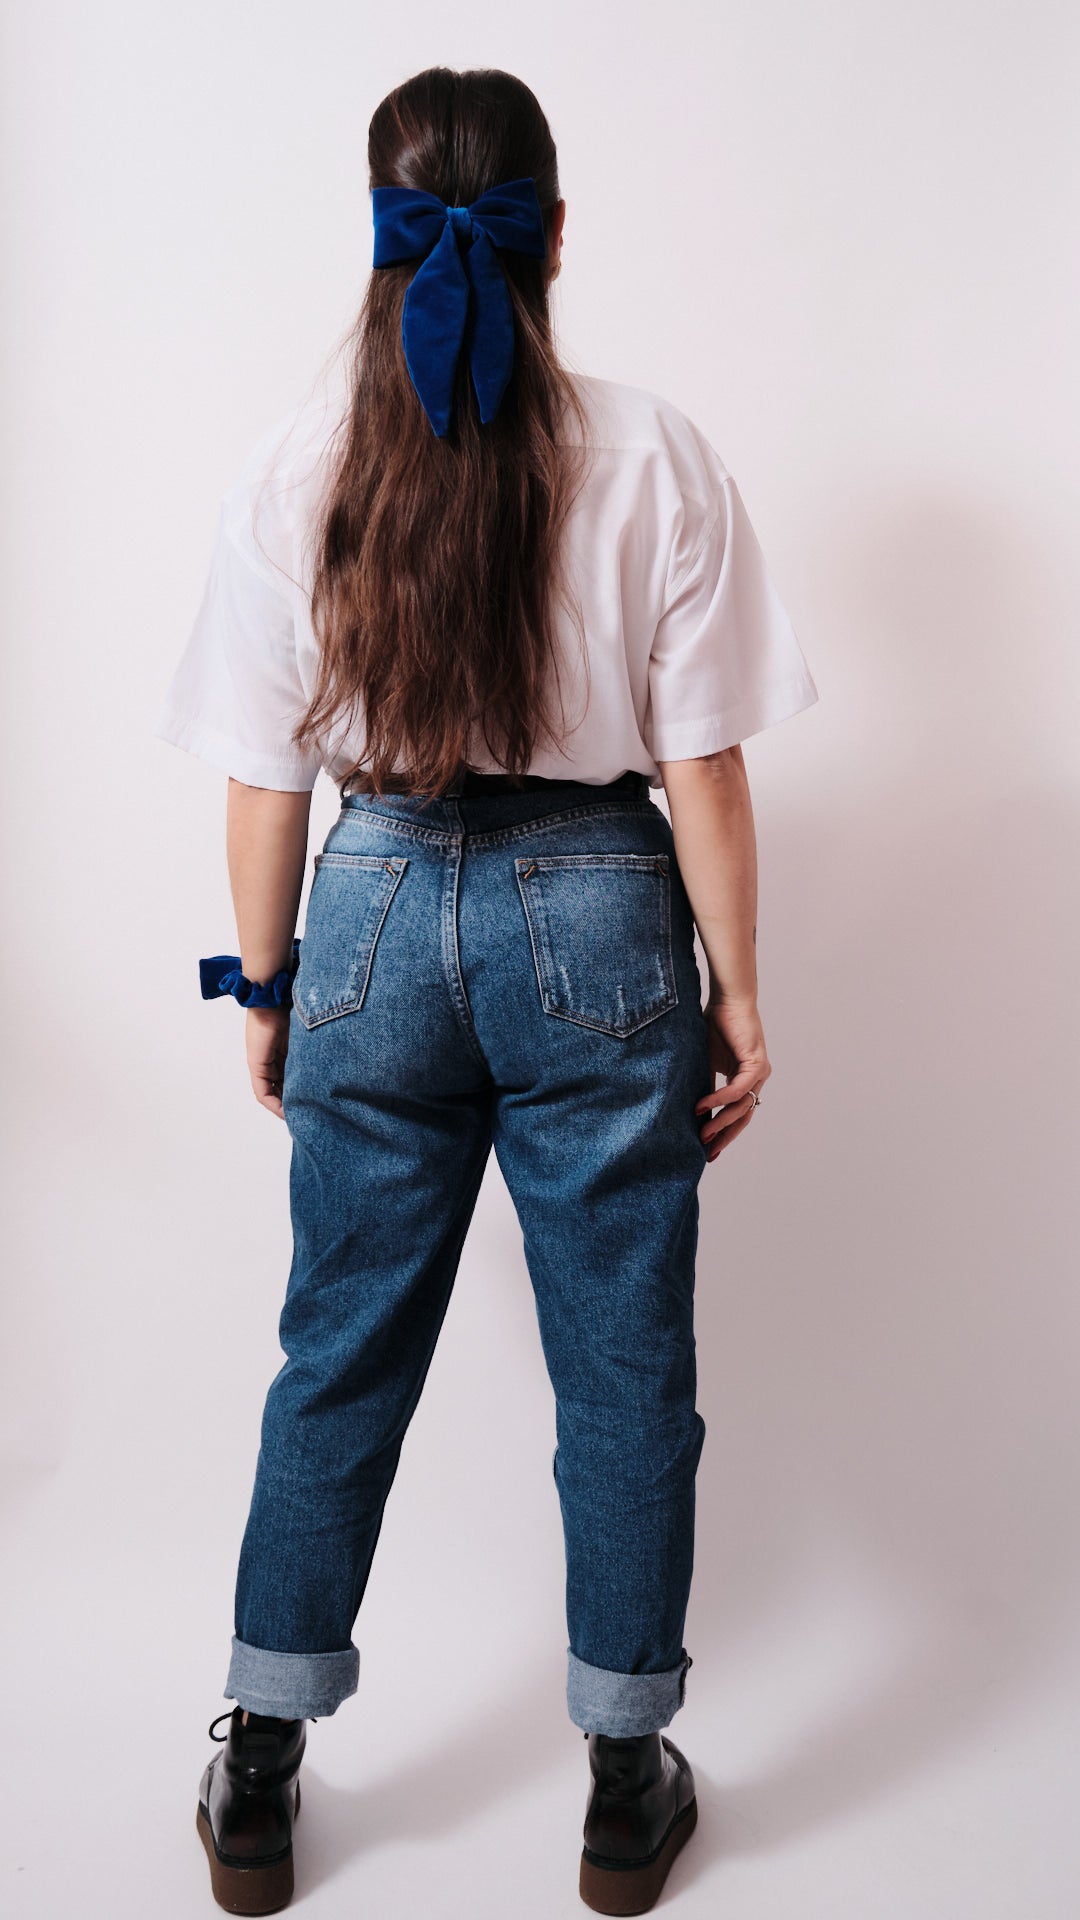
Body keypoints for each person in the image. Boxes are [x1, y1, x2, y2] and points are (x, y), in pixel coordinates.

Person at [155, 63, 819, 1918]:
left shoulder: (297, 464)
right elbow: (703, 763)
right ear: (556, 235)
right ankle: (623, 1778)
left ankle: (260, 1762)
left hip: (368, 903)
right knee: (625, 1365)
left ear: (379, 235)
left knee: (338, 1349)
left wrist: (266, 988)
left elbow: (265, 780)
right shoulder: (653, 452)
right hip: (597, 914)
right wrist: (740, 994)